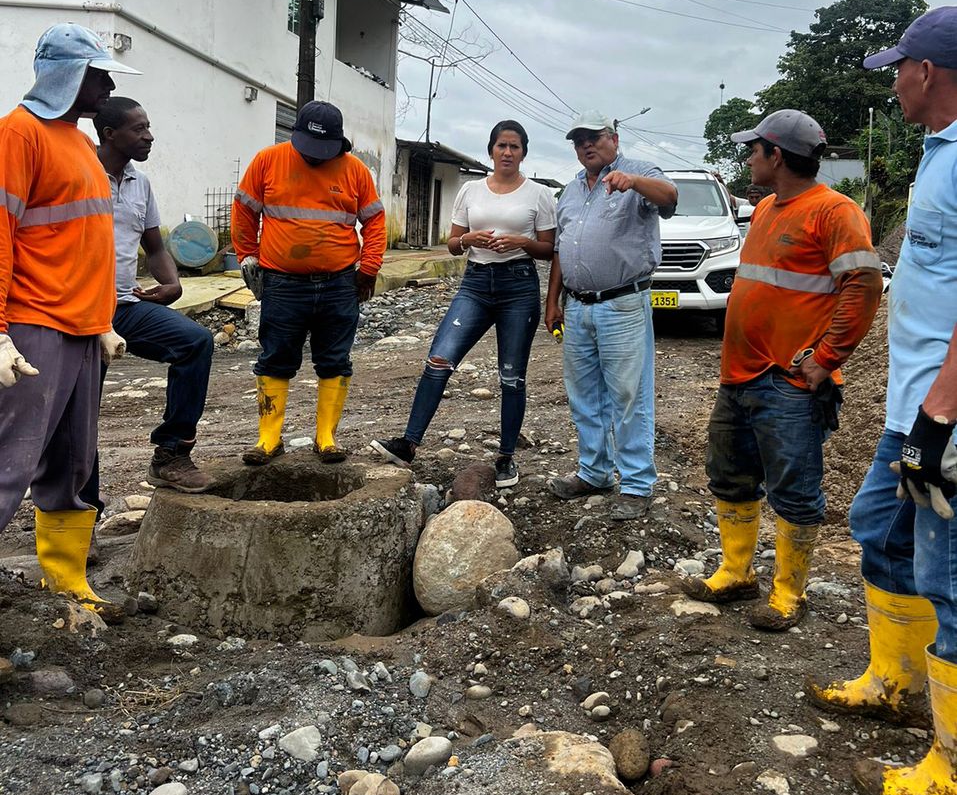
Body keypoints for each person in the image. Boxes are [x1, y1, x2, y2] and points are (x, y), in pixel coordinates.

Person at [806, 7, 957, 795]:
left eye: (898, 68)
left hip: (944, 411)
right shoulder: (936, 154)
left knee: (948, 576)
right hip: (914, 405)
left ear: (925, 72)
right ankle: (895, 684)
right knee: (878, 527)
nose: (892, 82)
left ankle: (949, 766)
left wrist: (941, 412)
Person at [681, 109, 883, 632]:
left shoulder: (835, 211)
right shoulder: (768, 208)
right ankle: (737, 573)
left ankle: (789, 592)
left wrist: (825, 359)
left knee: (794, 489)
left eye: (755, 149)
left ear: (776, 155)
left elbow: (863, 287)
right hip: (739, 375)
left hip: (789, 381)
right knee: (729, 474)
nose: (749, 158)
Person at [0, 24, 137, 621]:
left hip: (82, 328)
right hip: (34, 324)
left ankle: (66, 581)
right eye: (97, 74)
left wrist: (103, 319)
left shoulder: (79, 143)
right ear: (66, 75)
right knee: (10, 461)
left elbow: (90, 240)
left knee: (73, 462)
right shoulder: (18, 134)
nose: (107, 86)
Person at [371, 120, 556, 487]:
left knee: (512, 376)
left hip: (518, 287)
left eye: (515, 146)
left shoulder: (539, 194)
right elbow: (453, 244)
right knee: (439, 360)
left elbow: (549, 249)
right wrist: (469, 239)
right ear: (491, 150)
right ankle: (408, 444)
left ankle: (506, 457)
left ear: (523, 153)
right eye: (501, 145)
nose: (507, 152)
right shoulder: (470, 190)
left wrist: (521, 242)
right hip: (475, 284)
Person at [80, 97, 215, 530]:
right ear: (109, 135)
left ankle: (171, 454)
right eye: (139, 129)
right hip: (79, 312)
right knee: (81, 412)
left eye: (148, 127)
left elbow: (155, 247)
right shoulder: (80, 172)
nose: (149, 137)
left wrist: (172, 282)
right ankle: (82, 516)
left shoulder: (141, 183)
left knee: (195, 342)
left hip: (125, 305)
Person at [232, 100, 385, 464]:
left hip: (339, 283)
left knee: (335, 359)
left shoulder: (355, 171)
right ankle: (269, 438)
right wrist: (247, 256)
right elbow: (244, 210)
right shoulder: (268, 161)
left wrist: (369, 268)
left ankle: (326, 437)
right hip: (282, 283)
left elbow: (375, 222)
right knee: (275, 357)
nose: (315, 157)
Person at [544, 111, 678, 520]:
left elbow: (670, 197)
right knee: (584, 395)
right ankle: (594, 472)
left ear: (614, 139)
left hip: (622, 304)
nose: (586, 145)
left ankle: (636, 483)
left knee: (628, 394)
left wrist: (633, 182)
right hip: (577, 306)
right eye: (579, 140)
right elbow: (561, 248)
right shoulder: (570, 191)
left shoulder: (639, 172)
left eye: (594, 137)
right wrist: (552, 301)